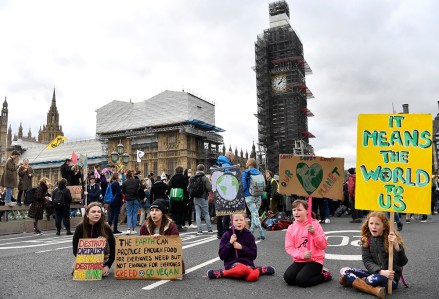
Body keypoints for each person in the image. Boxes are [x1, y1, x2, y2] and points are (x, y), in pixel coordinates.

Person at [339, 211, 408, 298]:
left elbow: (402, 262)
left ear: (384, 226)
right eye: (371, 223)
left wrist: (396, 245)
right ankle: (375, 290)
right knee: (344, 270)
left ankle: (352, 281)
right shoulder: (366, 239)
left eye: (377, 224)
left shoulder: (391, 240)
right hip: (375, 272)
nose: (373, 227)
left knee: (373, 280)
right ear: (368, 225)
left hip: (390, 279)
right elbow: (367, 261)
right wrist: (380, 271)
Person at [206, 212, 275, 281]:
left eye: (241, 220)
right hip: (232, 264)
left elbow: (253, 255)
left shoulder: (249, 235)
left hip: (247, 264)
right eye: (236, 220)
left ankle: (222, 273)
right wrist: (230, 243)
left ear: (245, 221)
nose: (239, 222)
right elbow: (222, 256)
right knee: (241, 269)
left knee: (253, 277)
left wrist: (242, 248)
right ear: (232, 222)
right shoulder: (227, 234)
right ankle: (259, 270)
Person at [284, 199, 332, 287]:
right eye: (294, 210)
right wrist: (302, 255)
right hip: (300, 259)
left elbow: (323, 246)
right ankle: (305, 271)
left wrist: (314, 233)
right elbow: (289, 247)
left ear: (307, 211)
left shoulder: (315, 224)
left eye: (299, 210)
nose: (296, 213)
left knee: (302, 281)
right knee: (288, 278)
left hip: (315, 260)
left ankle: (324, 275)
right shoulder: (291, 228)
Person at [72, 202, 116, 277]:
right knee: (78, 274)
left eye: (99, 212)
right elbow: (75, 248)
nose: (97, 214)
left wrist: (108, 266)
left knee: (100, 274)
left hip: (102, 257)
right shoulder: (80, 227)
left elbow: (113, 248)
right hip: (84, 258)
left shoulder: (106, 227)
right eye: (93, 212)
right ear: (87, 214)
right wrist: (83, 262)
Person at [242, 158, 265, 240]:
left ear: (249, 164)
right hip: (258, 196)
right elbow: (263, 185)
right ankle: (250, 232)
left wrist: (244, 193)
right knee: (254, 214)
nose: (246, 163)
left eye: (247, 162)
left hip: (249, 196)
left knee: (255, 215)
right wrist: (261, 196)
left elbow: (244, 185)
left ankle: (261, 233)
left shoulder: (245, 172)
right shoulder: (259, 172)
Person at [189, 164, 213, 235]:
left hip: (195, 198)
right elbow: (209, 189)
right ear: (203, 169)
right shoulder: (205, 178)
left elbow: (188, 188)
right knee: (206, 213)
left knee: (198, 214)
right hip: (203, 198)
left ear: (197, 169)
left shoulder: (192, 178)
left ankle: (199, 230)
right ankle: (209, 229)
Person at [215, 151, 234, 239]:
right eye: (233, 156)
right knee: (226, 211)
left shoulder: (219, 164)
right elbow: (229, 178)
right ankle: (225, 231)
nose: (233, 158)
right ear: (229, 156)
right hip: (225, 190)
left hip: (218, 190)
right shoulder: (227, 166)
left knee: (219, 211)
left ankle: (219, 232)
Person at [169, 166, 189, 232]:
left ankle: (175, 226)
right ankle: (179, 226)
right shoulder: (184, 178)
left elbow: (169, 186)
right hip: (182, 197)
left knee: (175, 212)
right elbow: (187, 187)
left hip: (174, 196)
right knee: (181, 212)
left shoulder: (173, 177)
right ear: (182, 171)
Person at [122, 170, 140, 234]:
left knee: (129, 213)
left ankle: (129, 227)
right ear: (132, 175)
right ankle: (133, 228)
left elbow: (123, 192)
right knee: (135, 214)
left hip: (128, 199)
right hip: (136, 199)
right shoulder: (136, 181)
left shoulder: (125, 182)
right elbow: (139, 189)